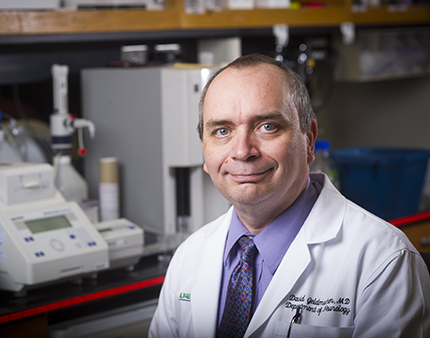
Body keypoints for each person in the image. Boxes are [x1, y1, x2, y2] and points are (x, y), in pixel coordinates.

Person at [149, 53, 430, 338]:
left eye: (267, 126)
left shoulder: (383, 260)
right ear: (205, 152)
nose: (243, 150)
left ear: (309, 140)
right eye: (222, 131)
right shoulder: (189, 256)